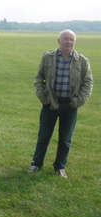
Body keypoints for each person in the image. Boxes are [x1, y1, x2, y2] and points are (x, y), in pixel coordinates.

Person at [28, 29, 93, 178]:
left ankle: (59, 167)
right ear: (59, 41)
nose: (68, 42)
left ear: (74, 42)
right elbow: (39, 79)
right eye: (65, 39)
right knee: (43, 136)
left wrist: (79, 101)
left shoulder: (82, 60)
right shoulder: (48, 57)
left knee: (65, 139)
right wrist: (43, 97)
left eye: (71, 39)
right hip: (50, 104)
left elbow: (88, 83)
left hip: (70, 106)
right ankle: (36, 164)